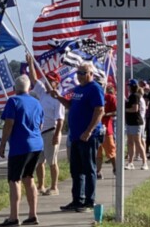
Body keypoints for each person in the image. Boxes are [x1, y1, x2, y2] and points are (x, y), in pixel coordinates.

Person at [51, 62, 104, 212]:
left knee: (88, 169)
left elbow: (99, 110)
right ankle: (77, 199)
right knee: (76, 169)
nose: (79, 76)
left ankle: (89, 201)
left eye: (82, 73)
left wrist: (89, 131)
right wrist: (58, 97)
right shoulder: (78, 89)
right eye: (78, 73)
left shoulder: (94, 88)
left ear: (90, 74)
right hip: (75, 136)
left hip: (88, 136)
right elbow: (70, 106)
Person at [0, 75, 44, 227]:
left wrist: (3, 143)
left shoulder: (13, 101)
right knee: (29, 178)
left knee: (14, 180)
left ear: (14, 89)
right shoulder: (36, 102)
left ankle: (13, 216)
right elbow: (41, 124)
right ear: (29, 88)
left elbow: (9, 123)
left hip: (20, 146)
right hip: (36, 144)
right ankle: (32, 214)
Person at [26, 55, 64, 195]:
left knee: (52, 161)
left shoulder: (57, 98)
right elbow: (33, 79)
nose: (47, 82)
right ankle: (41, 185)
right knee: (39, 161)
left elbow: (60, 119)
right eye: (47, 80)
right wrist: (30, 63)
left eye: (51, 81)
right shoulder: (42, 92)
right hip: (39, 131)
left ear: (56, 83)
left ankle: (54, 187)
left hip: (51, 131)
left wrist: (56, 135)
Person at [124, 78, 148, 170]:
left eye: (129, 86)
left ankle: (144, 162)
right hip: (130, 121)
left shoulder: (135, 96)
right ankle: (130, 162)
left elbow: (135, 109)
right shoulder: (131, 96)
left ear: (132, 86)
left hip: (136, 122)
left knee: (138, 142)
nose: (128, 87)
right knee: (130, 142)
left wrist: (124, 109)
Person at [96, 84, 117, 179]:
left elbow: (116, 111)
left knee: (111, 151)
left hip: (106, 128)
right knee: (97, 152)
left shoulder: (110, 97)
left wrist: (106, 113)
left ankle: (116, 168)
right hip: (95, 128)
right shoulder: (93, 96)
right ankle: (98, 171)